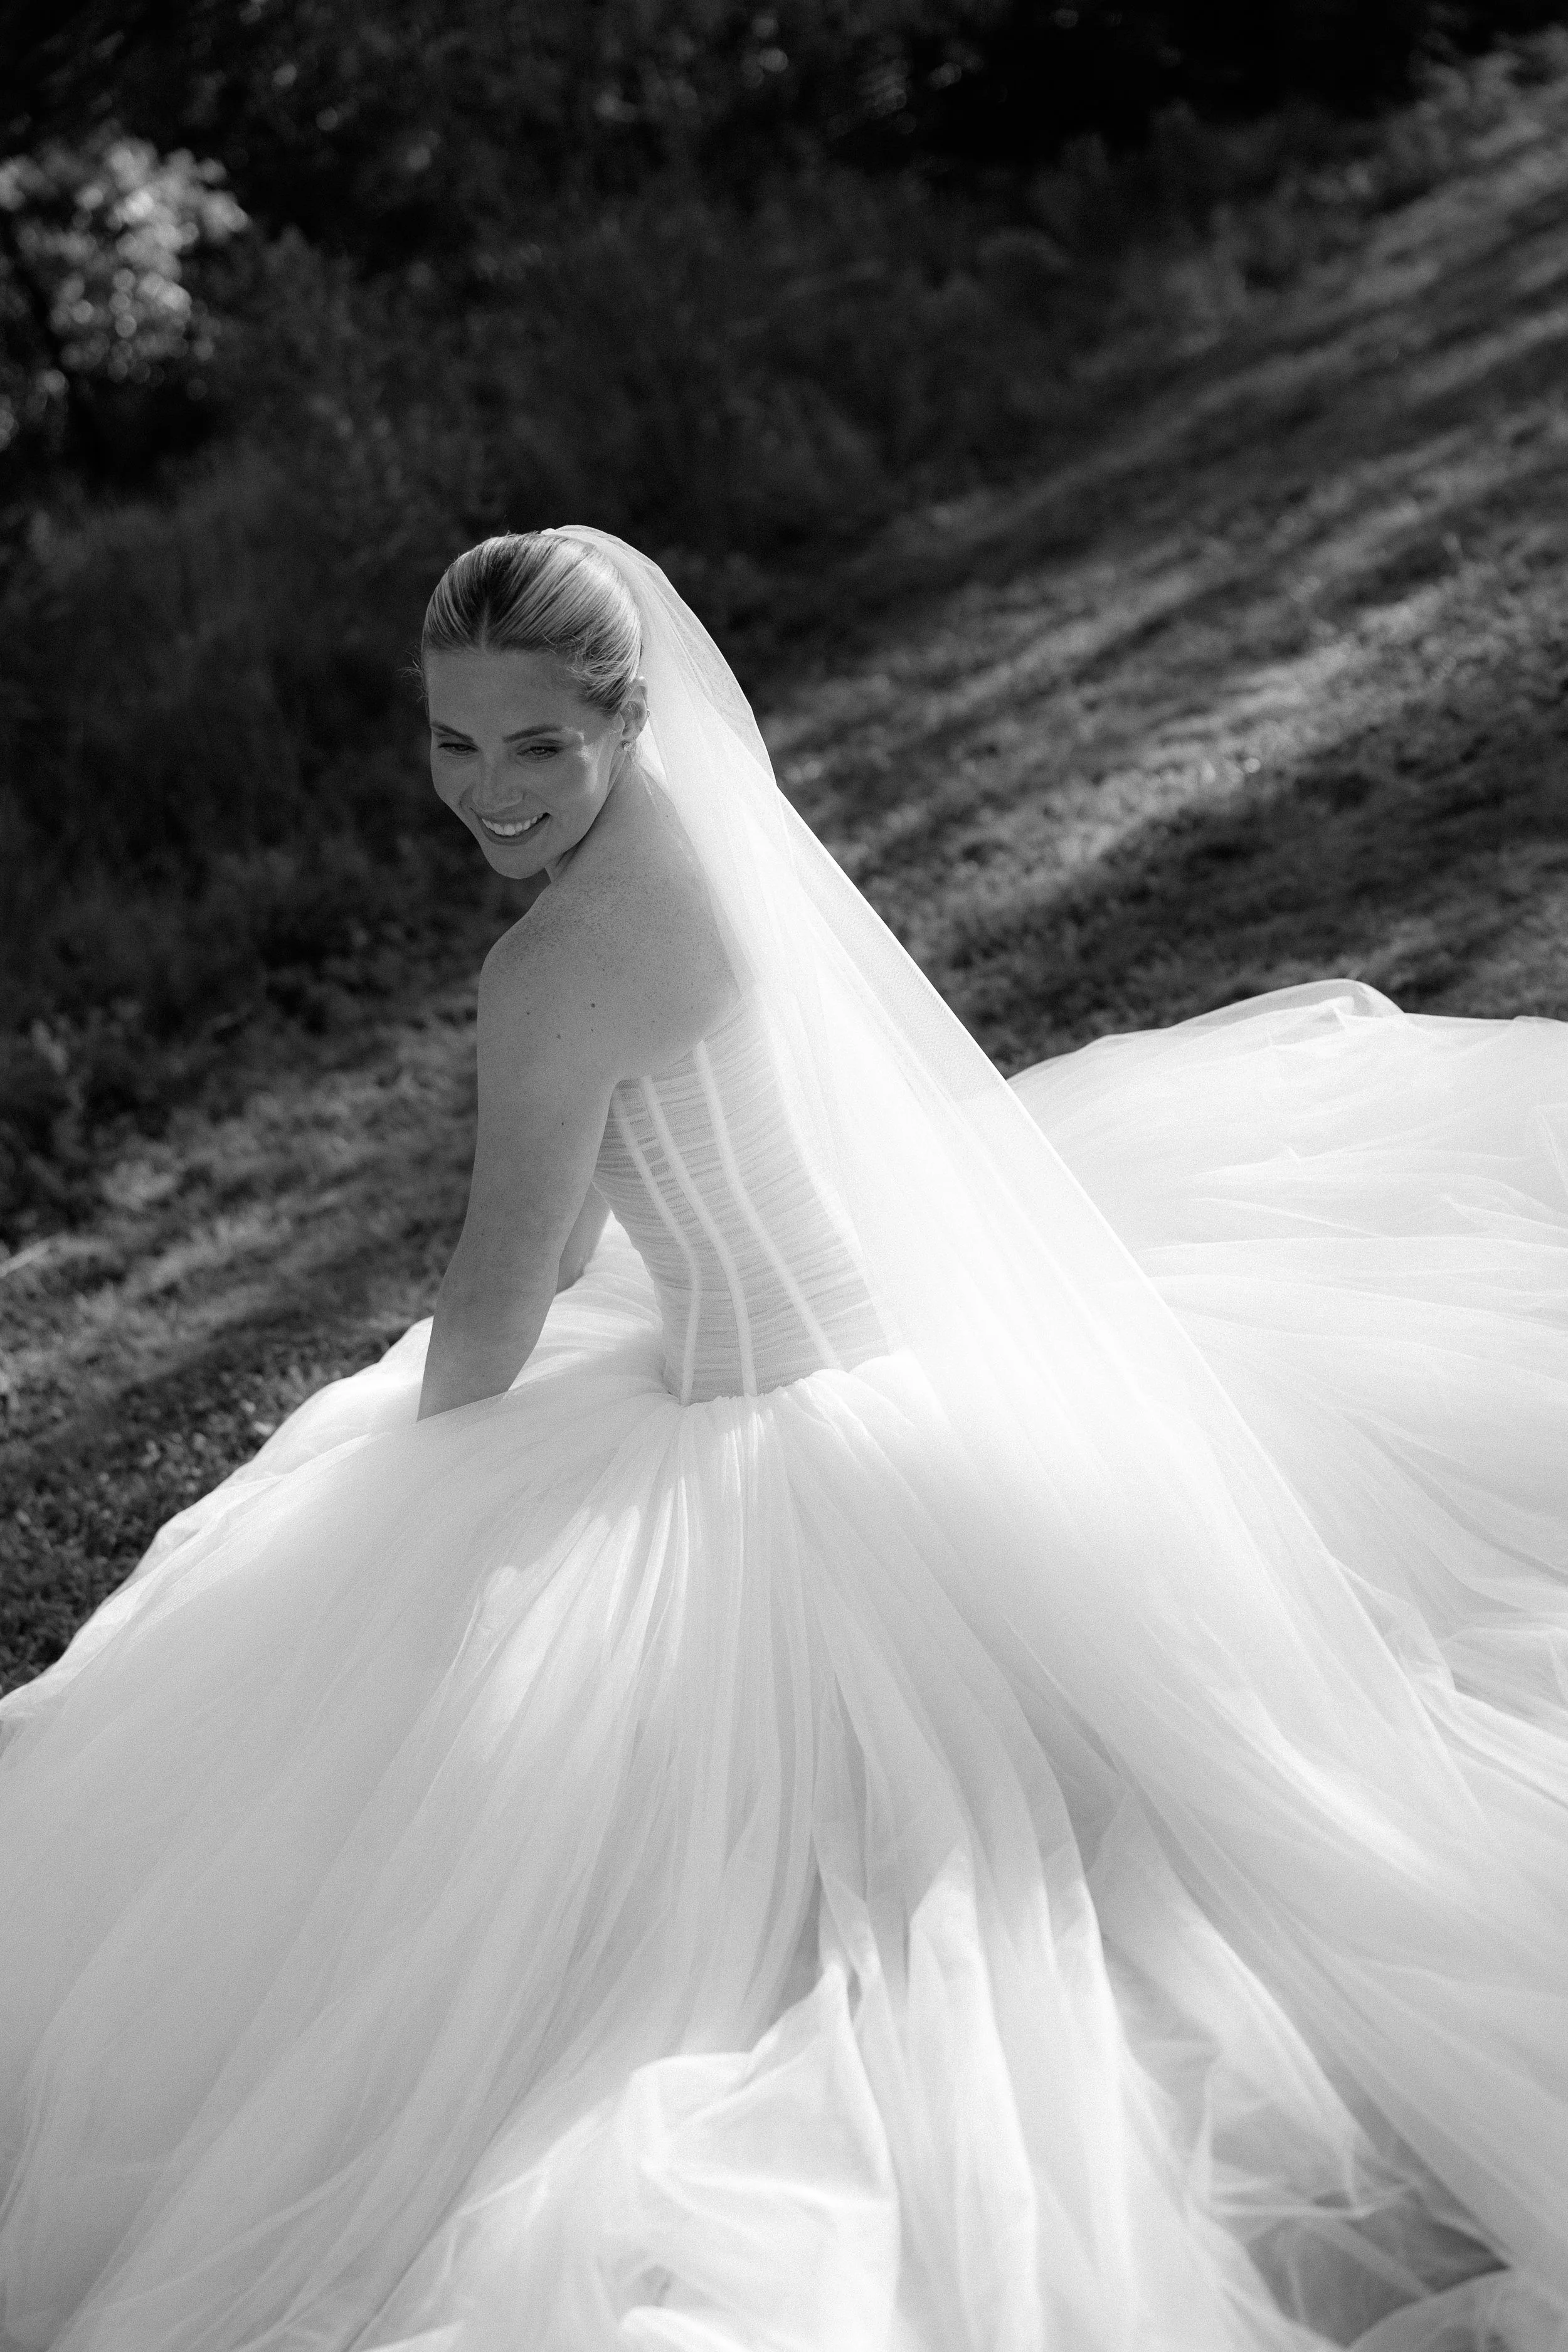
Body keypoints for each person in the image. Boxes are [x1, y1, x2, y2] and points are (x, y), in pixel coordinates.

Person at [1, 527, 1565, 2352]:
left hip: (768, 1414)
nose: (486, 792)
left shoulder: (554, 962)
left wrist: (400, 1490)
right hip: (915, 1360)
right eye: (452, 741)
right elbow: (610, 1216)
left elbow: (509, 1284)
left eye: (534, 745)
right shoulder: (722, 860)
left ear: (622, 716)